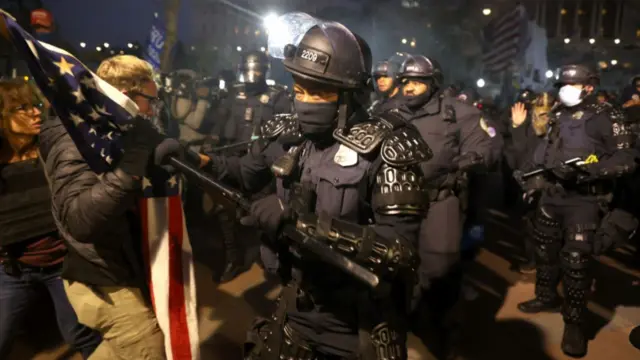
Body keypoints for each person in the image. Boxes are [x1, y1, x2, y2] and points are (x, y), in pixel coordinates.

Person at [204, 13, 430, 359]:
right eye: (299, 90)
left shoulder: (388, 145)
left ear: (348, 96)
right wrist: (195, 161)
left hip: (356, 323)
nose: (305, 101)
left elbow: (400, 251)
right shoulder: (290, 133)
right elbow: (245, 172)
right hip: (295, 304)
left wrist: (301, 223)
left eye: (319, 92)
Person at [38, 55, 186, 359]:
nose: (152, 110)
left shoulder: (110, 130)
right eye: (150, 101)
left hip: (117, 269)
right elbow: (81, 221)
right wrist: (134, 161)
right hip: (104, 280)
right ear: (126, 97)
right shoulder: (74, 137)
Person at [515, 64, 638, 357]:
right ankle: (545, 297)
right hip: (552, 195)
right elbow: (545, 152)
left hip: (584, 200)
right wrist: (530, 175)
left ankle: (574, 324)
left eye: (571, 84)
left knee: (575, 262)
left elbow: (627, 159)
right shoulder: (558, 114)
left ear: (589, 87)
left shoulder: (608, 116)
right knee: (544, 251)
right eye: (562, 84)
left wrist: (590, 171)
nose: (564, 89)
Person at [393, 54, 496, 358]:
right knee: (397, 264)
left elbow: (486, 148)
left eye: (417, 82)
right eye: (406, 81)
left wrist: (464, 162)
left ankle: (446, 333)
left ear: (433, 83)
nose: (409, 87)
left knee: (441, 270)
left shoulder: (459, 113)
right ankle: (405, 321)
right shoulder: (391, 112)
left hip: (439, 202)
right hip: (396, 202)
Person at [0, 79, 101, 358]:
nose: (35, 113)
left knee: (78, 332)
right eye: (22, 108)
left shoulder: (51, 150)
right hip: (13, 268)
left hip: (60, 264)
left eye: (35, 105)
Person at [509, 92, 555, 273]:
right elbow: (520, 152)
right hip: (532, 183)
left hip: (555, 182)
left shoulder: (562, 126)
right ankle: (534, 260)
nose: (541, 117)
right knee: (529, 223)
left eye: (546, 113)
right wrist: (517, 126)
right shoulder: (528, 128)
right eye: (538, 113)